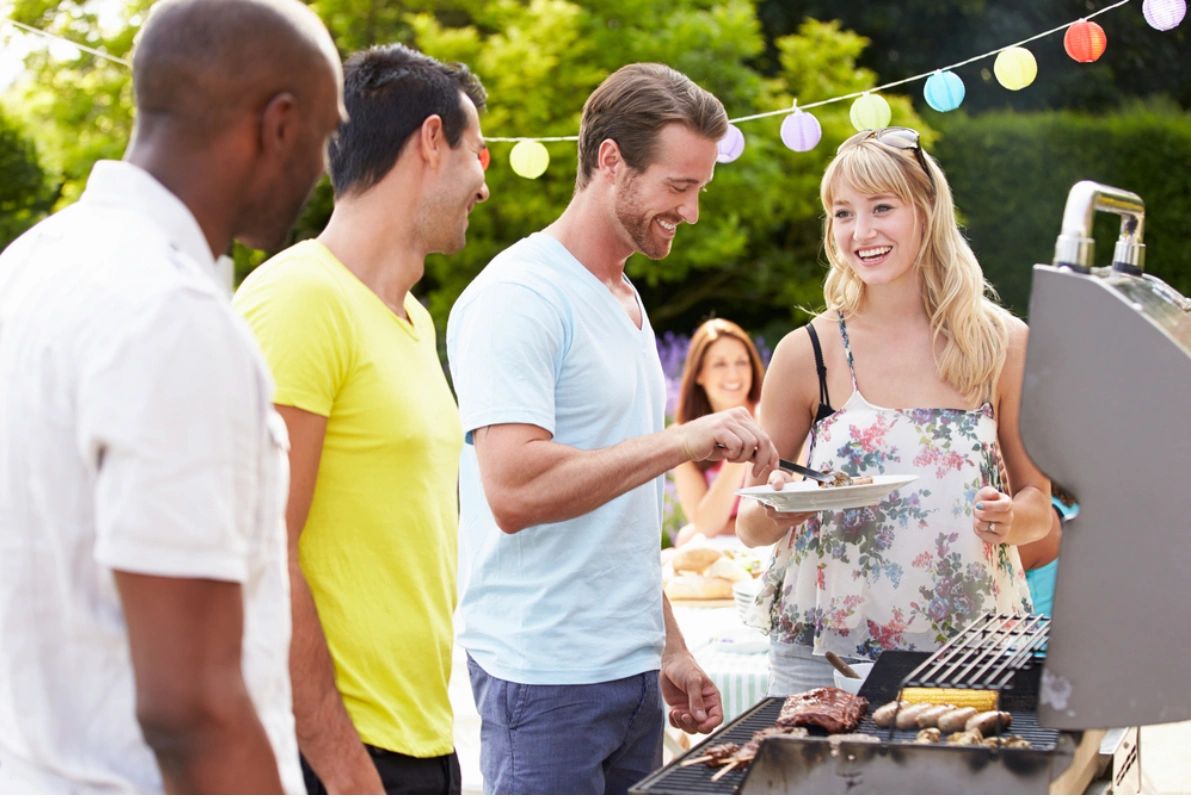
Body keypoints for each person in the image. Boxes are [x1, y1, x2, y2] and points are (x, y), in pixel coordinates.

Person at [0, 0, 343, 792]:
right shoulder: (171, 315)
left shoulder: (29, 266)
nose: (325, 167)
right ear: (278, 124)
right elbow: (191, 710)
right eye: (326, 135)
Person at [446, 63, 779, 794]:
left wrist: (668, 647)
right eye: (678, 187)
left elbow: (618, 510)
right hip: (544, 682)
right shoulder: (519, 297)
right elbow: (514, 488)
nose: (689, 212)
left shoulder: (623, 299)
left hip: (627, 676)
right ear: (609, 162)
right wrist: (684, 440)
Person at [234, 44, 489, 795]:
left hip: (418, 740)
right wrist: (347, 775)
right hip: (336, 759)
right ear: (431, 140)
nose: (482, 184)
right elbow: (260, 555)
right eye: (478, 155)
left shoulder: (414, 318)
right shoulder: (298, 301)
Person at [736, 127, 1050, 696]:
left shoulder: (1002, 344)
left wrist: (1009, 518)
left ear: (928, 212)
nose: (862, 232)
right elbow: (749, 524)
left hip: (969, 646)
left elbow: (1039, 508)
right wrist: (780, 508)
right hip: (825, 655)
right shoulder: (808, 352)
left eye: (883, 207)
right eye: (843, 213)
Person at [671, 318, 766, 547]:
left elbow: (791, 509)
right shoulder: (682, 437)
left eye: (742, 362)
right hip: (722, 547)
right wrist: (739, 454)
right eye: (719, 364)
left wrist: (717, 526)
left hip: (770, 543)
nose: (733, 374)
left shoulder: (772, 418)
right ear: (699, 374)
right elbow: (707, 524)